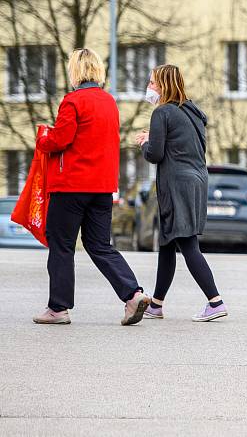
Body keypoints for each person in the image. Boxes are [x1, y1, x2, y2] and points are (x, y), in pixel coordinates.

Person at [33, 48, 151, 326]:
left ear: (75, 71)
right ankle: (133, 294)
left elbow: (61, 139)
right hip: (102, 187)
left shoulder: (72, 102)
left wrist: (43, 138)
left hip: (71, 186)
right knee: (99, 245)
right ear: (98, 71)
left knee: (62, 245)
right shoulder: (109, 102)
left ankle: (58, 309)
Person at [135, 65, 227, 322]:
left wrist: (145, 143)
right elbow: (179, 143)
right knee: (167, 242)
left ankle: (215, 301)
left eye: (152, 82)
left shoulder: (162, 112)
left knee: (187, 243)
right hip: (197, 180)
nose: (149, 87)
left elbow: (155, 154)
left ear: (163, 86)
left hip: (177, 185)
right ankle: (156, 304)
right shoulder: (192, 111)